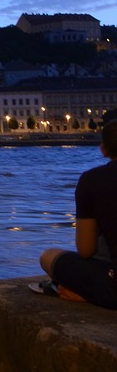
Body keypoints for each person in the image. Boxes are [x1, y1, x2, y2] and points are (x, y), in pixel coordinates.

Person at [36, 119, 117, 308]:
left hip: (114, 287)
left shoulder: (92, 180)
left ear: (103, 149)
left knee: (48, 257)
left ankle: (89, 294)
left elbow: (86, 249)